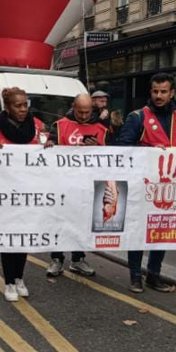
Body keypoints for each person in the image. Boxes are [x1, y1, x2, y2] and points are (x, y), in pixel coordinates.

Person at [117, 72, 176, 293]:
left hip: (170, 186)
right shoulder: (137, 117)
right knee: (138, 231)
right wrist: (149, 151)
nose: (159, 96)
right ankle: (135, 276)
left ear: (172, 93)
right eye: (155, 91)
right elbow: (123, 149)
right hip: (141, 185)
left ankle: (154, 275)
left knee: (162, 232)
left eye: (163, 91)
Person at [0, 87, 46, 301]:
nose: (23, 109)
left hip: (28, 191)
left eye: (25, 104)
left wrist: (49, 146)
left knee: (23, 238)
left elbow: (46, 152)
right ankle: (9, 282)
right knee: (8, 238)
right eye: (18, 105)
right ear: (7, 107)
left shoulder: (37, 126)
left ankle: (19, 278)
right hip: (4, 193)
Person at [45, 94, 105, 279]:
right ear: (73, 107)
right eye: (80, 112)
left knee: (81, 224)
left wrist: (98, 147)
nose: (84, 116)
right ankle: (57, 259)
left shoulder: (101, 128)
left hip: (87, 186)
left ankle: (78, 259)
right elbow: (49, 148)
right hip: (63, 185)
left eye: (87, 112)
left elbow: (111, 155)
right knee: (59, 223)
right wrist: (49, 144)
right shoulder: (60, 125)